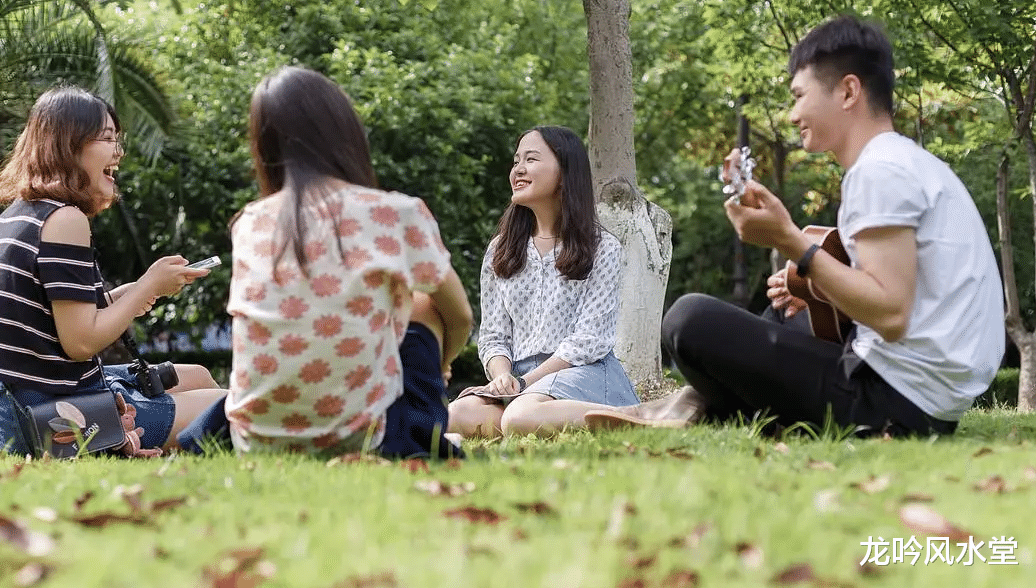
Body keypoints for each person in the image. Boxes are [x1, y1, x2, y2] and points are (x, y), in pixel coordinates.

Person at [585, 15, 1005, 437]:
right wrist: (818, 289)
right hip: (924, 397)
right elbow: (909, 296)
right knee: (787, 311)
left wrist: (790, 242)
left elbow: (892, 314)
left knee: (688, 319)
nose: (792, 115)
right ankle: (700, 403)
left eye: (799, 96)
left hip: (894, 402)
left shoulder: (880, 171)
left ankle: (700, 403)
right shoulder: (908, 162)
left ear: (848, 91)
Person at [224, 66, 473, 457]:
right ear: (345, 133)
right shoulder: (395, 213)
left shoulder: (249, 222)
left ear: (263, 147)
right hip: (365, 436)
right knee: (425, 303)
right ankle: (421, 428)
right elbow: (460, 316)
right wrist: (443, 364)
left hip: (254, 439)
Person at [0, 86, 228, 454]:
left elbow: (52, 318)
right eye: (108, 139)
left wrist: (128, 293)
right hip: (50, 417)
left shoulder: (21, 213)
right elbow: (80, 343)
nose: (118, 152)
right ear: (69, 145)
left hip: (22, 401)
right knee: (224, 407)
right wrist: (146, 287)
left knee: (198, 376)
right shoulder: (65, 220)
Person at [447, 126, 639, 439]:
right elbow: (494, 335)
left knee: (520, 417)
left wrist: (526, 384)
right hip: (521, 383)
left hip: (582, 373)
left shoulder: (603, 247)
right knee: (457, 414)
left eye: (531, 159)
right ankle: (529, 414)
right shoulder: (500, 249)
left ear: (565, 173)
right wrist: (502, 377)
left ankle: (638, 415)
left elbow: (589, 340)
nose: (518, 169)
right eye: (516, 161)